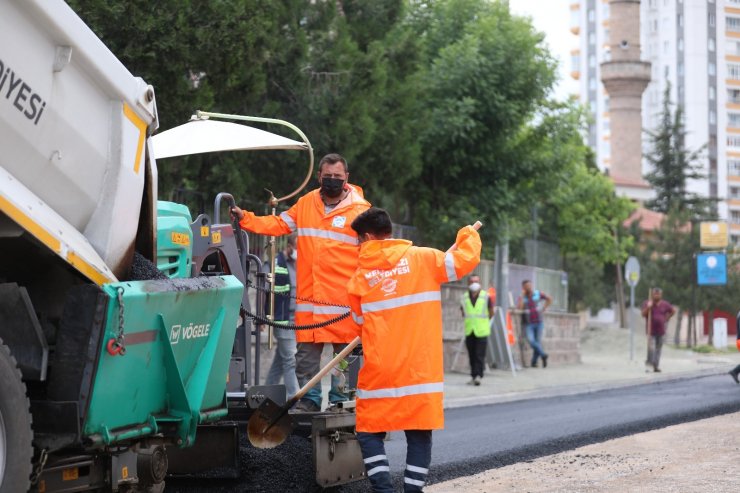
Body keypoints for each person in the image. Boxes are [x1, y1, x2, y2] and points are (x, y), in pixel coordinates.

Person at [347, 207, 481, 493]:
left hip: (381, 373)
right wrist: (467, 234)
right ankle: (412, 489)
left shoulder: (359, 279)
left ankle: (384, 490)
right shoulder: (425, 258)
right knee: (419, 434)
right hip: (420, 371)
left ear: (368, 237)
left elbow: (359, 325)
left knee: (368, 431)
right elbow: (464, 260)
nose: (358, 245)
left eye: (359, 239)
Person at [232, 153, 371, 412]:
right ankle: (309, 400)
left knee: (345, 359)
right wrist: (245, 219)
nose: (331, 181)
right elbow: (278, 224)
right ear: (319, 176)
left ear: (347, 178)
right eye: (327, 177)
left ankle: (343, 403)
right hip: (312, 302)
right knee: (306, 358)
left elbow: (373, 253)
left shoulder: (361, 210)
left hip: (346, 303)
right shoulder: (306, 203)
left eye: (337, 178)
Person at [264, 234, 300, 397]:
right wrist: (262, 315)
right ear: (290, 247)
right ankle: (294, 398)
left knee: (281, 359)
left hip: (298, 318)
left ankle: (266, 392)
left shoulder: (302, 264)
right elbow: (262, 289)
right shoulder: (274, 263)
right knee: (291, 358)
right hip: (282, 318)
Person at [460, 275, 494, 386]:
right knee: (471, 354)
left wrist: (485, 322)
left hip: (482, 330)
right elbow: (463, 312)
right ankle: (473, 376)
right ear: (468, 283)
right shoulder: (464, 297)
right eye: (472, 281)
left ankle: (479, 375)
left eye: (477, 281)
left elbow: (491, 311)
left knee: (480, 355)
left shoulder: (486, 296)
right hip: (469, 330)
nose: (474, 283)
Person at [517, 280, 552, 368]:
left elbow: (549, 299)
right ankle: (543, 355)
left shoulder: (537, 294)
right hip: (529, 323)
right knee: (532, 341)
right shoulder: (523, 297)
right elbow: (520, 308)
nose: (528, 287)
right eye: (526, 286)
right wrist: (522, 296)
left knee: (537, 342)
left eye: (529, 285)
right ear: (523, 288)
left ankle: (534, 362)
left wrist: (544, 307)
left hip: (539, 322)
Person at [640, 287, 676, 373]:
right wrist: (648, 307)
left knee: (658, 349)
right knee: (651, 348)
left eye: (658, 294)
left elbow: (673, 311)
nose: (656, 295)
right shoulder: (647, 303)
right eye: (655, 294)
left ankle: (656, 366)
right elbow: (643, 314)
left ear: (661, 295)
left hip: (661, 330)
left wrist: (667, 318)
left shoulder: (665, 304)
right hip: (650, 331)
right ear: (652, 295)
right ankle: (649, 366)